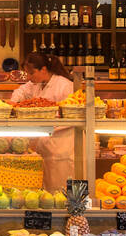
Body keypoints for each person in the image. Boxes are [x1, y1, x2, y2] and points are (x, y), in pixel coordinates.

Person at [9, 51, 76, 191]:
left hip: (61, 146)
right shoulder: (36, 83)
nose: (28, 77)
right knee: (46, 191)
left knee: (61, 188)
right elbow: (20, 92)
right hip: (44, 146)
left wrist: (44, 128)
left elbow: (72, 117)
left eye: (31, 73)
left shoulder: (65, 86)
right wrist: (12, 103)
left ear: (43, 69)